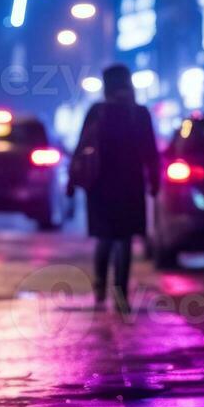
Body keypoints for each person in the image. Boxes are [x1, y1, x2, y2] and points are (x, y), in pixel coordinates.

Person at [70, 64, 160, 311]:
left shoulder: (97, 111)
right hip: (129, 184)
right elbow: (151, 152)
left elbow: (81, 147)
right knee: (125, 238)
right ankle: (121, 294)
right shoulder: (138, 113)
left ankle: (100, 287)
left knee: (105, 237)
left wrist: (71, 180)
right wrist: (154, 181)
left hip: (100, 185)